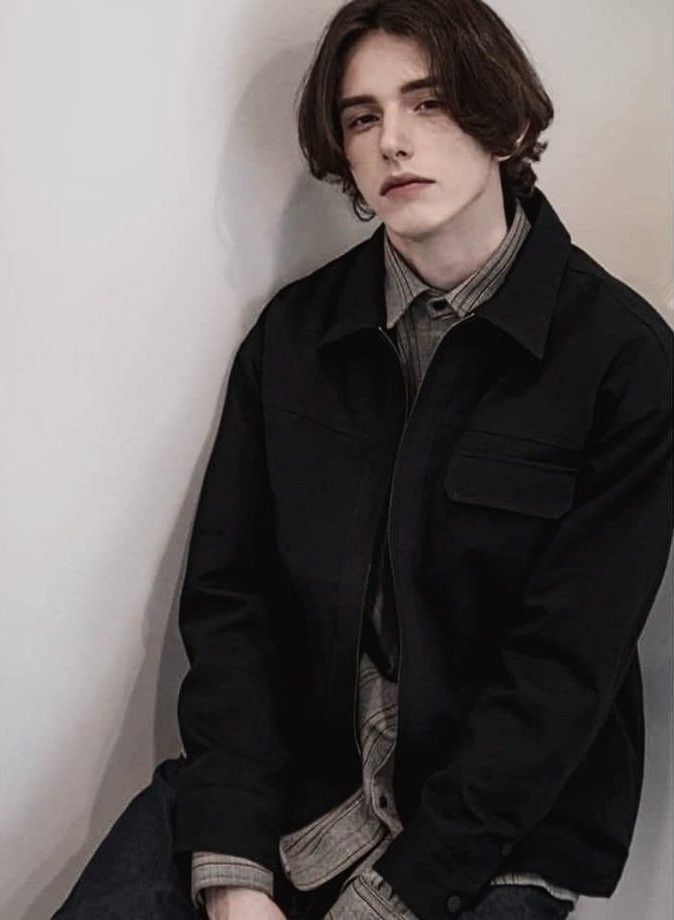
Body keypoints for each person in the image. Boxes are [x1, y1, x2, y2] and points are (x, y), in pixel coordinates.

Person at [53, 1, 673, 918]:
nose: (393, 141)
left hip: (495, 835)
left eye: (429, 102)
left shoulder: (622, 360)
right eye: (361, 116)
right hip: (286, 788)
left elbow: (562, 676)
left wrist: (399, 895)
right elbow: (233, 606)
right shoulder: (294, 339)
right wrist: (233, 868)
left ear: (505, 123)